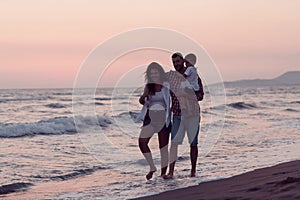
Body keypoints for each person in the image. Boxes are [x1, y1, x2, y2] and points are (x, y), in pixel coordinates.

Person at [164, 52, 204, 179]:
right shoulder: (171, 77)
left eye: (178, 61)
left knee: (193, 143)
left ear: (183, 61)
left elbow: (201, 95)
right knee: (174, 143)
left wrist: (188, 95)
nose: (176, 64)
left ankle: (193, 171)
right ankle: (171, 172)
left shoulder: (193, 76)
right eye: (174, 62)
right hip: (177, 114)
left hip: (192, 114)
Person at [136, 62, 171, 180]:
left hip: (163, 117)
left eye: (156, 73)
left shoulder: (166, 85)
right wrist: (142, 98)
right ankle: (152, 167)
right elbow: (143, 101)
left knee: (163, 148)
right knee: (142, 142)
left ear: (160, 73)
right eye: (152, 73)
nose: (154, 75)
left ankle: (163, 174)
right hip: (150, 117)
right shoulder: (148, 87)